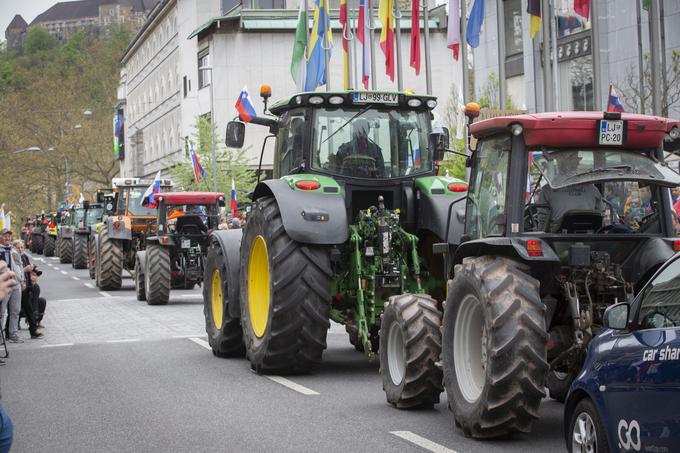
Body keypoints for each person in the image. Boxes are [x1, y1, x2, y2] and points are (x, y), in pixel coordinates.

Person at [537, 152, 603, 232]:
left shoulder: (547, 190)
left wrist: (541, 233)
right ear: (577, 165)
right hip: (589, 235)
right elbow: (600, 214)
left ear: (559, 164)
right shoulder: (593, 189)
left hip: (558, 236)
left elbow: (543, 220)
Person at [14, 240, 43, 338]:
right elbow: (13, 272)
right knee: (14, 310)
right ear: (15, 248)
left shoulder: (25, 256)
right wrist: (25, 269)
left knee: (29, 309)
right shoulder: (13, 257)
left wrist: (32, 268)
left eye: (22, 247)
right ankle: (9, 332)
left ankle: (33, 331)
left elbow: (29, 270)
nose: (21, 249)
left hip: (26, 287)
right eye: (18, 248)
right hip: (17, 286)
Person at [0, 229, 23, 343]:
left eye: (9, 236)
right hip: (3, 284)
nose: (7, 238)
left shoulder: (14, 250)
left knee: (15, 311)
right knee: (1, 312)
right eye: (5, 236)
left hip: (16, 283)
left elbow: (20, 265)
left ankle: (13, 335)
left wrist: (22, 281)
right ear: (0, 237)